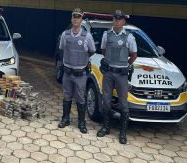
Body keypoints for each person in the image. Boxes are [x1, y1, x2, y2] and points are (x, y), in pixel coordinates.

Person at [97, 10, 137, 144]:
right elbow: (103, 51)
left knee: (123, 104)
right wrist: (110, 62)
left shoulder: (129, 37)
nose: (117, 21)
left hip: (121, 74)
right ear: (113, 20)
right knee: (106, 101)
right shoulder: (106, 35)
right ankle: (106, 127)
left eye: (120, 19)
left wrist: (126, 65)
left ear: (124, 21)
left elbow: (133, 55)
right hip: (108, 73)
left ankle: (123, 133)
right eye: (115, 19)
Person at [58, 8, 96, 133]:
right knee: (67, 95)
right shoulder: (65, 34)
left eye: (78, 17)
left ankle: (81, 122)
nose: (76, 19)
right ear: (71, 19)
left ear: (81, 20)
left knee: (80, 98)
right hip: (68, 72)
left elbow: (91, 51)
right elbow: (62, 49)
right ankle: (65, 118)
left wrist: (82, 59)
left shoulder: (87, 36)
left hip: (80, 73)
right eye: (74, 17)